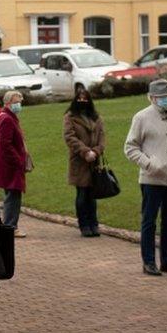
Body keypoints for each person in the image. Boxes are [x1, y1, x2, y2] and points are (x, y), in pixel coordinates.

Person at [124, 79, 167, 277]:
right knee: (149, 221)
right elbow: (130, 147)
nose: (165, 100)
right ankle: (149, 262)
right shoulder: (141, 117)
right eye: (161, 97)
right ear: (152, 98)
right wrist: (149, 164)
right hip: (152, 180)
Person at [63, 88, 106, 237]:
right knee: (82, 194)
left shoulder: (96, 117)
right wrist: (85, 151)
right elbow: (69, 137)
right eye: (79, 99)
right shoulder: (70, 117)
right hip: (79, 161)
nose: (82, 101)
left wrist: (96, 151)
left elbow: (102, 137)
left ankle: (94, 224)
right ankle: (84, 225)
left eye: (85, 98)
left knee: (92, 195)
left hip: (94, 160)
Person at [0, 91, 29, 238]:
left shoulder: (7, 117)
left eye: (19, 101)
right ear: (8, 103)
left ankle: (10, 225)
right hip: (10, 165)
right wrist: (19, 161)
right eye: (16, 102)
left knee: (12, 195)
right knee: (13, 197)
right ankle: (10, 226)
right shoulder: (7, 119)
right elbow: (5, 144)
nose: (18, 104)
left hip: (8, 164)